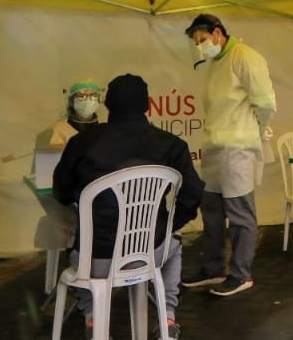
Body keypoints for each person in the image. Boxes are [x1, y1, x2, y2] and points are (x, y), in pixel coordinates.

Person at [53, 74, 204, 340]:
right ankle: (167, 317)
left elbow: (61, 191)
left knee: (78, 246)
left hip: (96, 258)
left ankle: (92, 320)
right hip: (149, 252)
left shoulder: (81, 143)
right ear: (147, 105)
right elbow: (193, 193)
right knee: (175, 243)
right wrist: (167, 225)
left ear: (107, 104)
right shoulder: (172, 145)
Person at [180, 14, 276, 297]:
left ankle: (240, 273)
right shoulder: (214, 63)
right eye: (197, 43)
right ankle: (213, 268)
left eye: (203, 40)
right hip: (215, 147)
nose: (200, 46)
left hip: (237, 148)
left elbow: (266, 102)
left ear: (218, 32)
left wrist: (255, 130)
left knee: (240, 215)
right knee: (211, 213)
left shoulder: (245, 57)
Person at [41, 80, 104, 150]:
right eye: (81, 96)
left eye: (93, 95)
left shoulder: (106, 128)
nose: (88, 100)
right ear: (71, 101)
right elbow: (51, 158)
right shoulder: (57, 130)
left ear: (99, 99)